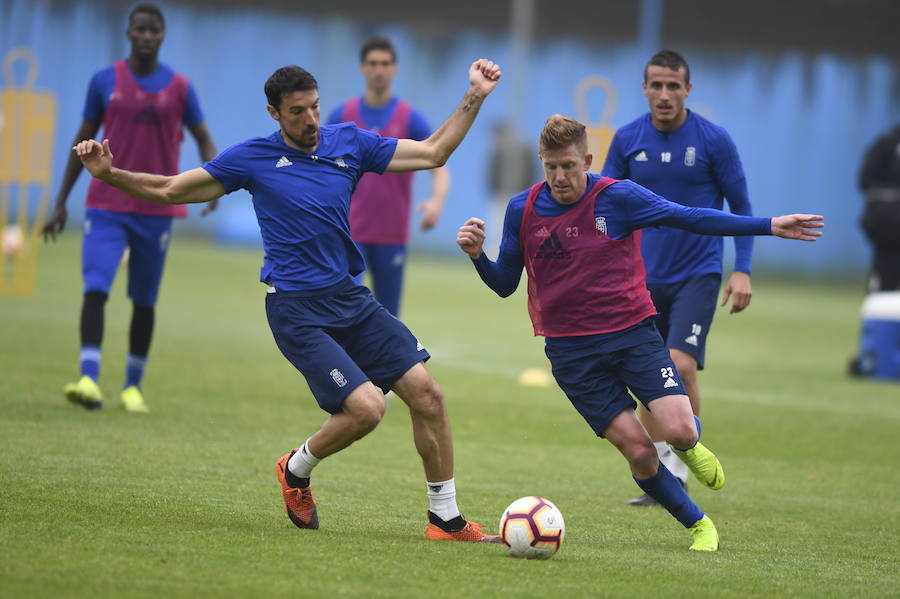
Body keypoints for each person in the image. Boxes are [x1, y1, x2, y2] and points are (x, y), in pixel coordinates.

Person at [73, 59, 503, 542]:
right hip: (296, 310)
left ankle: (445, 520)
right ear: (274, 113)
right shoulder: (252, 159)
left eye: (315, 107)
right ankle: (296, 469)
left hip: (348, 298)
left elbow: (434, 152)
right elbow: (173, 189)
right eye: (297, 111)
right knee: (367, 410)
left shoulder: (350, 142)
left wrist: (476, 94)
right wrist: (109, 175)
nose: (311, 120)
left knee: (428, 394)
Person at [456, 114, 823, 551]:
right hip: (572, 356)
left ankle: (690, 445)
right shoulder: (523, 209)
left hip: (632, 336)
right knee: (640, 451)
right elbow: (504, 285)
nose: (558, 176)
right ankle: (699, 525)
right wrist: (479, 255)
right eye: (550, 166)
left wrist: (767, 226)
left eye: (568, 166)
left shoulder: (619, 198)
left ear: (587, 160)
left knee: (681, 432)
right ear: (542, 162)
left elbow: (689, 217)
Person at [41, 2, 217, 414]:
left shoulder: (179, 88)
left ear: (162, 36)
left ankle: (132, 387)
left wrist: (212, 184)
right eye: (140, 28)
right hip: (106, 204)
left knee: (144, 298)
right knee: (96, 285)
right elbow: (82, 142)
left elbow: (205, 137)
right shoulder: (104, 81)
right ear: (128, 32)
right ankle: (88, 377)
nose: (146, 36)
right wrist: (62, 201)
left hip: (156, 207)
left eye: (154, 30)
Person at [601, 50, 754, 506]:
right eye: (656, 85)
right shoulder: (628, 139)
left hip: (698, 271)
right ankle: (664, 473)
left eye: (674, 86)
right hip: (640, 278)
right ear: (645, 88)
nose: (665, 95)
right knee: (650, 378)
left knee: (680, 365)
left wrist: (742, 267)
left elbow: (741, 207)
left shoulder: (713, 140)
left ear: (689, 90)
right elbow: (603, 206)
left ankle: (680, 466)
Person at [326, 36, 450, 316]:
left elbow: (438, 164)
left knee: (388, 315)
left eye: (385, 64)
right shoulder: (342, 116)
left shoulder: (409, 118)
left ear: (394, 69)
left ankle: (384, 361)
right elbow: (318, 164)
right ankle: (342, 360)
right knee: (342, 305)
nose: (379, 70)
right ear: (362, 68)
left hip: (391, 233)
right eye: (372, 63)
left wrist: (436, 202)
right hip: (348, 231)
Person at [858, 124, 900, 293]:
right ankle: (878, 312)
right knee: (885, 277)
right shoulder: (888, 143)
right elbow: (865, 181)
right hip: (889, 225)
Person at [486, 121, 537, 259]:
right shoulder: (519, 146)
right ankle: (498, 252)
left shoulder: (517, 147)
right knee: (501, 225)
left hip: (513, 194)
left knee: (507, 225)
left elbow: (531, 169)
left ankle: (502, 253)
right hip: (508, 194)